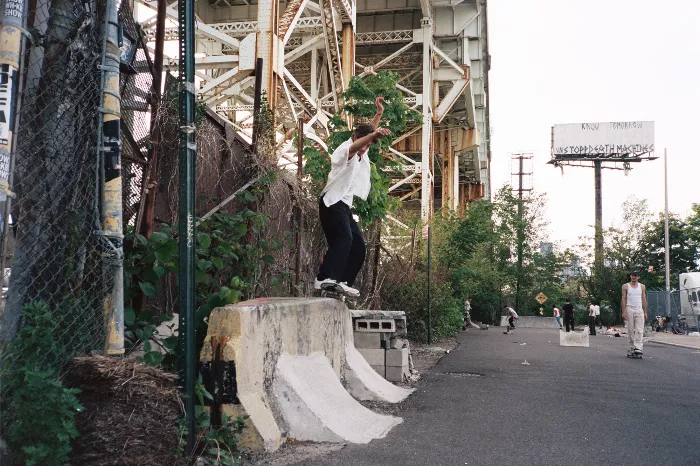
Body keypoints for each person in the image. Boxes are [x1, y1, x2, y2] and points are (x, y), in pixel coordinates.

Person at [314, 96, 391, 297]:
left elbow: (366, 135)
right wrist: (373, 135)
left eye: (368, 147)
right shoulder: (344, 151)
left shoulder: (362, 150)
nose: (364, 150)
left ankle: (341, 282)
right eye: (363, 145)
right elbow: (358, 144)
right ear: (355, 138)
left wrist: (379, 114)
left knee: (358, 245)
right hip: (331, 202)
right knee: (344, 238)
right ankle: (324, 278)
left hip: (343, 207)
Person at [622, 271, 647, 357]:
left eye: (635, 276)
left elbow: (643, 299)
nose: (633, 277)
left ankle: (638, 348)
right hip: (629, 308)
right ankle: (632, 348)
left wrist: (645, 311)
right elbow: (623, 298)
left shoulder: (642, 286)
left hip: (639, 309)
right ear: (630, 276)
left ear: (638, 277)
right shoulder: (625, 286)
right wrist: (624, 311)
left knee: (639, 329)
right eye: (632, 276)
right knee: (630, 330)